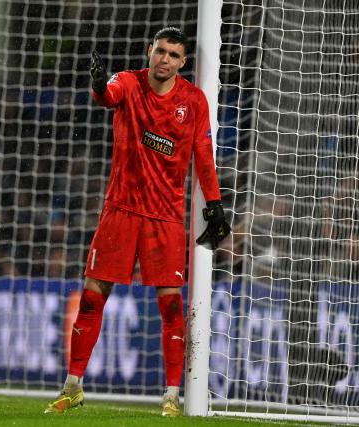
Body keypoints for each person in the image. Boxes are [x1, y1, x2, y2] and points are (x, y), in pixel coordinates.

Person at [45, 27, 230, 417]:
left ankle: (171, 396)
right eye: (160, 51)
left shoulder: (193, 101)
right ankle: (73, 386)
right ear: (150, 51)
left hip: (164, 217)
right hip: (121, 211)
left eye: (173, 55)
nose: (164, 59)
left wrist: (214, 204)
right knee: (93, 296)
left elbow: (203, 153)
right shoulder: (128, 83)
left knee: (170, 308)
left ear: (183, 63)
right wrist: (98, 85)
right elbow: (106, 95)